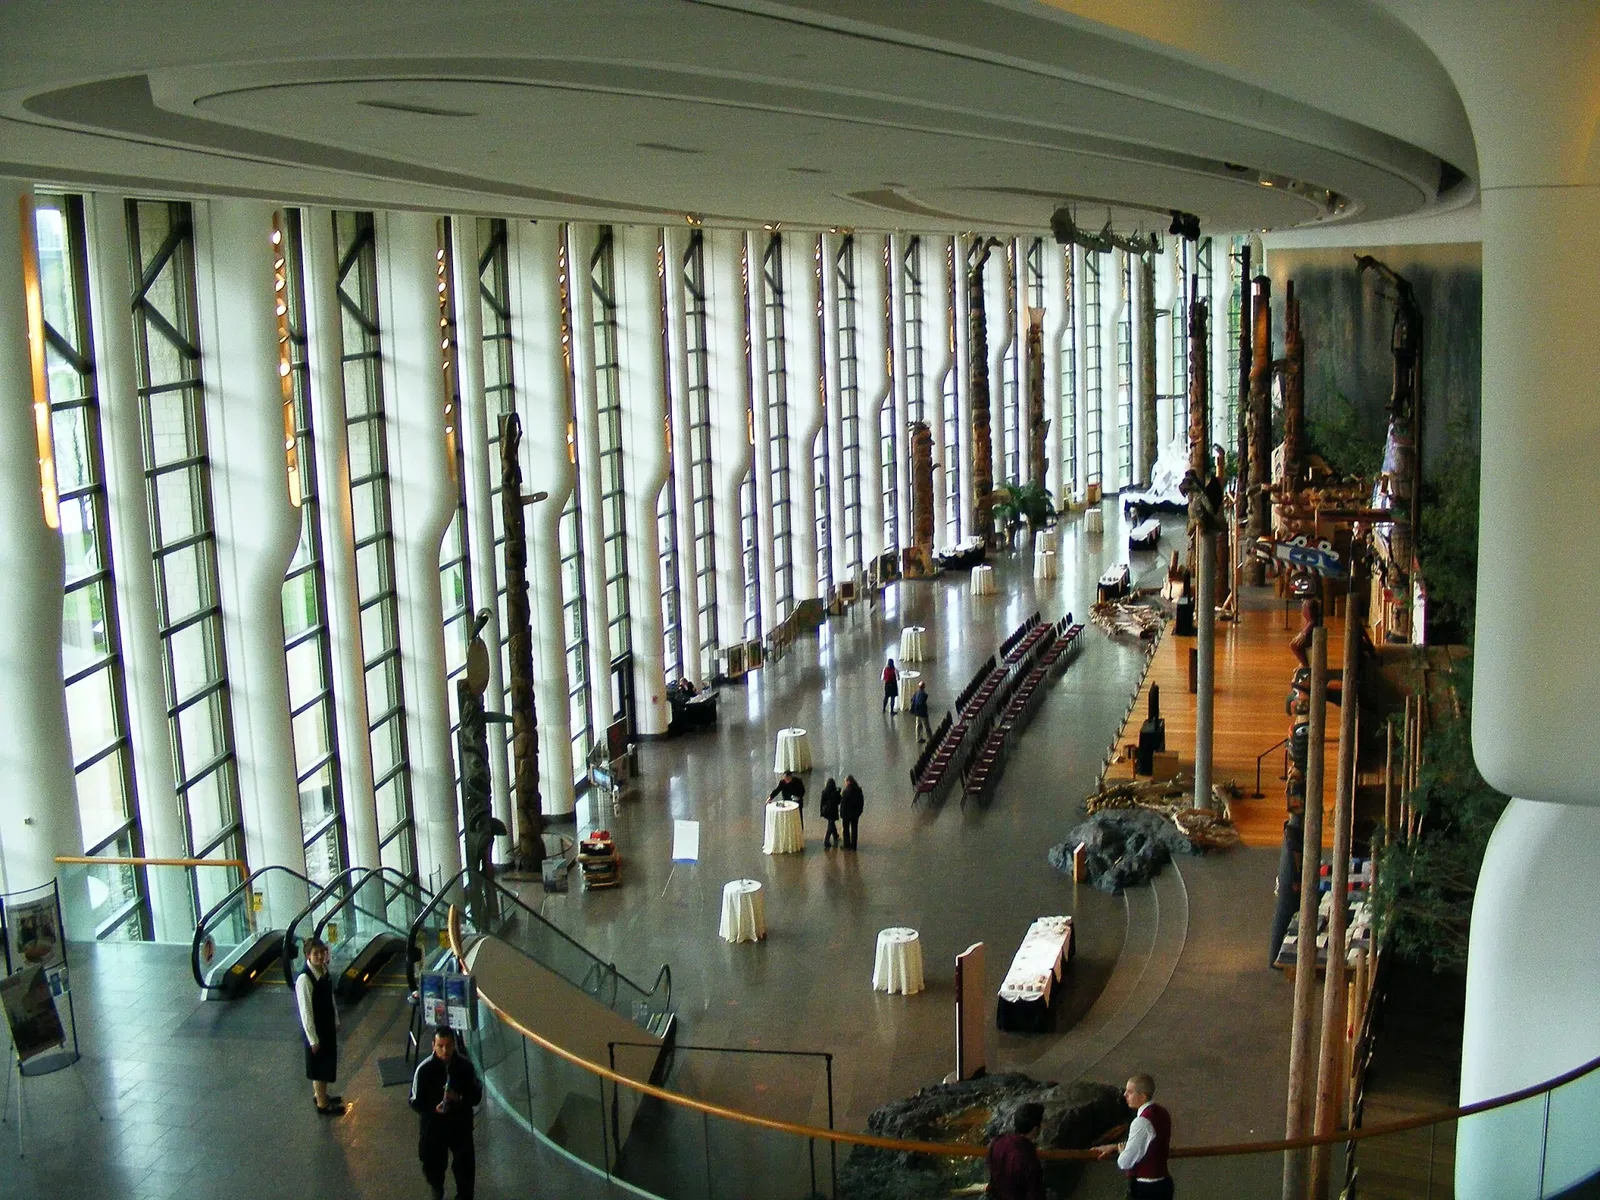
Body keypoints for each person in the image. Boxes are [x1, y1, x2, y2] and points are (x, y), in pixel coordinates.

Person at [410, 1026, 484, 1200]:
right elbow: (415, 1101)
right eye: (440, 1045)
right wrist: (432, 1110)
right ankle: (437, 1187)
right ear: (433, 1045)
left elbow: (475, 1096)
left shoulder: (465, 1067)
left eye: (448, 1045)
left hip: (460, 1125)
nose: (444, 1050)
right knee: (432, 1161)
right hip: (434, 1127)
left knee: (464, 1164)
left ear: (454, 1046)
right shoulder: (425, 1070)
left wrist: (458, 1098)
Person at [1093, 1074, 1174, 1198]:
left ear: (1142, 1096)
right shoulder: (1162, 1113)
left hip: (1146, 1190)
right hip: (1164, 1184)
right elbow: (1149, 1144)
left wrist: (1122, 1151)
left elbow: (1125, 1162)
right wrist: (1116, 1146)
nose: (1125, 1095)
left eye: (1130, 1092)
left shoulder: (1141, 1122)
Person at [295, 935, 343, 1115]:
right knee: (319, 1066)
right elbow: (305, 1011)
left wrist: (336, 1019)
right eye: (315, 954)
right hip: (316, 1029)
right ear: (307, 955)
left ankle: (322, 1094)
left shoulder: (323, 970)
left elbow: (330, 998)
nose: (320, 956)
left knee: (326, 1063)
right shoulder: (304, 979)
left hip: (327, 1025)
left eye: (322, 952)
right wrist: (312, 1039)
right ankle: (322, 1104)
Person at [985, 1101, 1046, 1200]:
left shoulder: (998, 1140)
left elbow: (990, 1166)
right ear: (1035, 1129)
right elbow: (1035, 1193)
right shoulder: (1029, 1158)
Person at [840, 775, 864, 850]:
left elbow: (843, 804)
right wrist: (859, 811)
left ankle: (846, 845)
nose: (845, 783)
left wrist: (841, 814)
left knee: (846, 830)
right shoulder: (858, 790)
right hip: (855, 814)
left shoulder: (845, 791)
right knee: (854, 829)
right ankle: (854, 845)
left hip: (846, 814)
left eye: (846, 781)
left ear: (848, 781)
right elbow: (861, 802)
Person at [819, 777, 842, 849]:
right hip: (833, 810)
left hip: (826, 810)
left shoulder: (824, 792)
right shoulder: (835, 792)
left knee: (831, 823)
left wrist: (821, 811)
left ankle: (835, 835)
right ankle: (826, 839)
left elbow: (822, 802)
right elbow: (839, 801)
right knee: (830, 824)